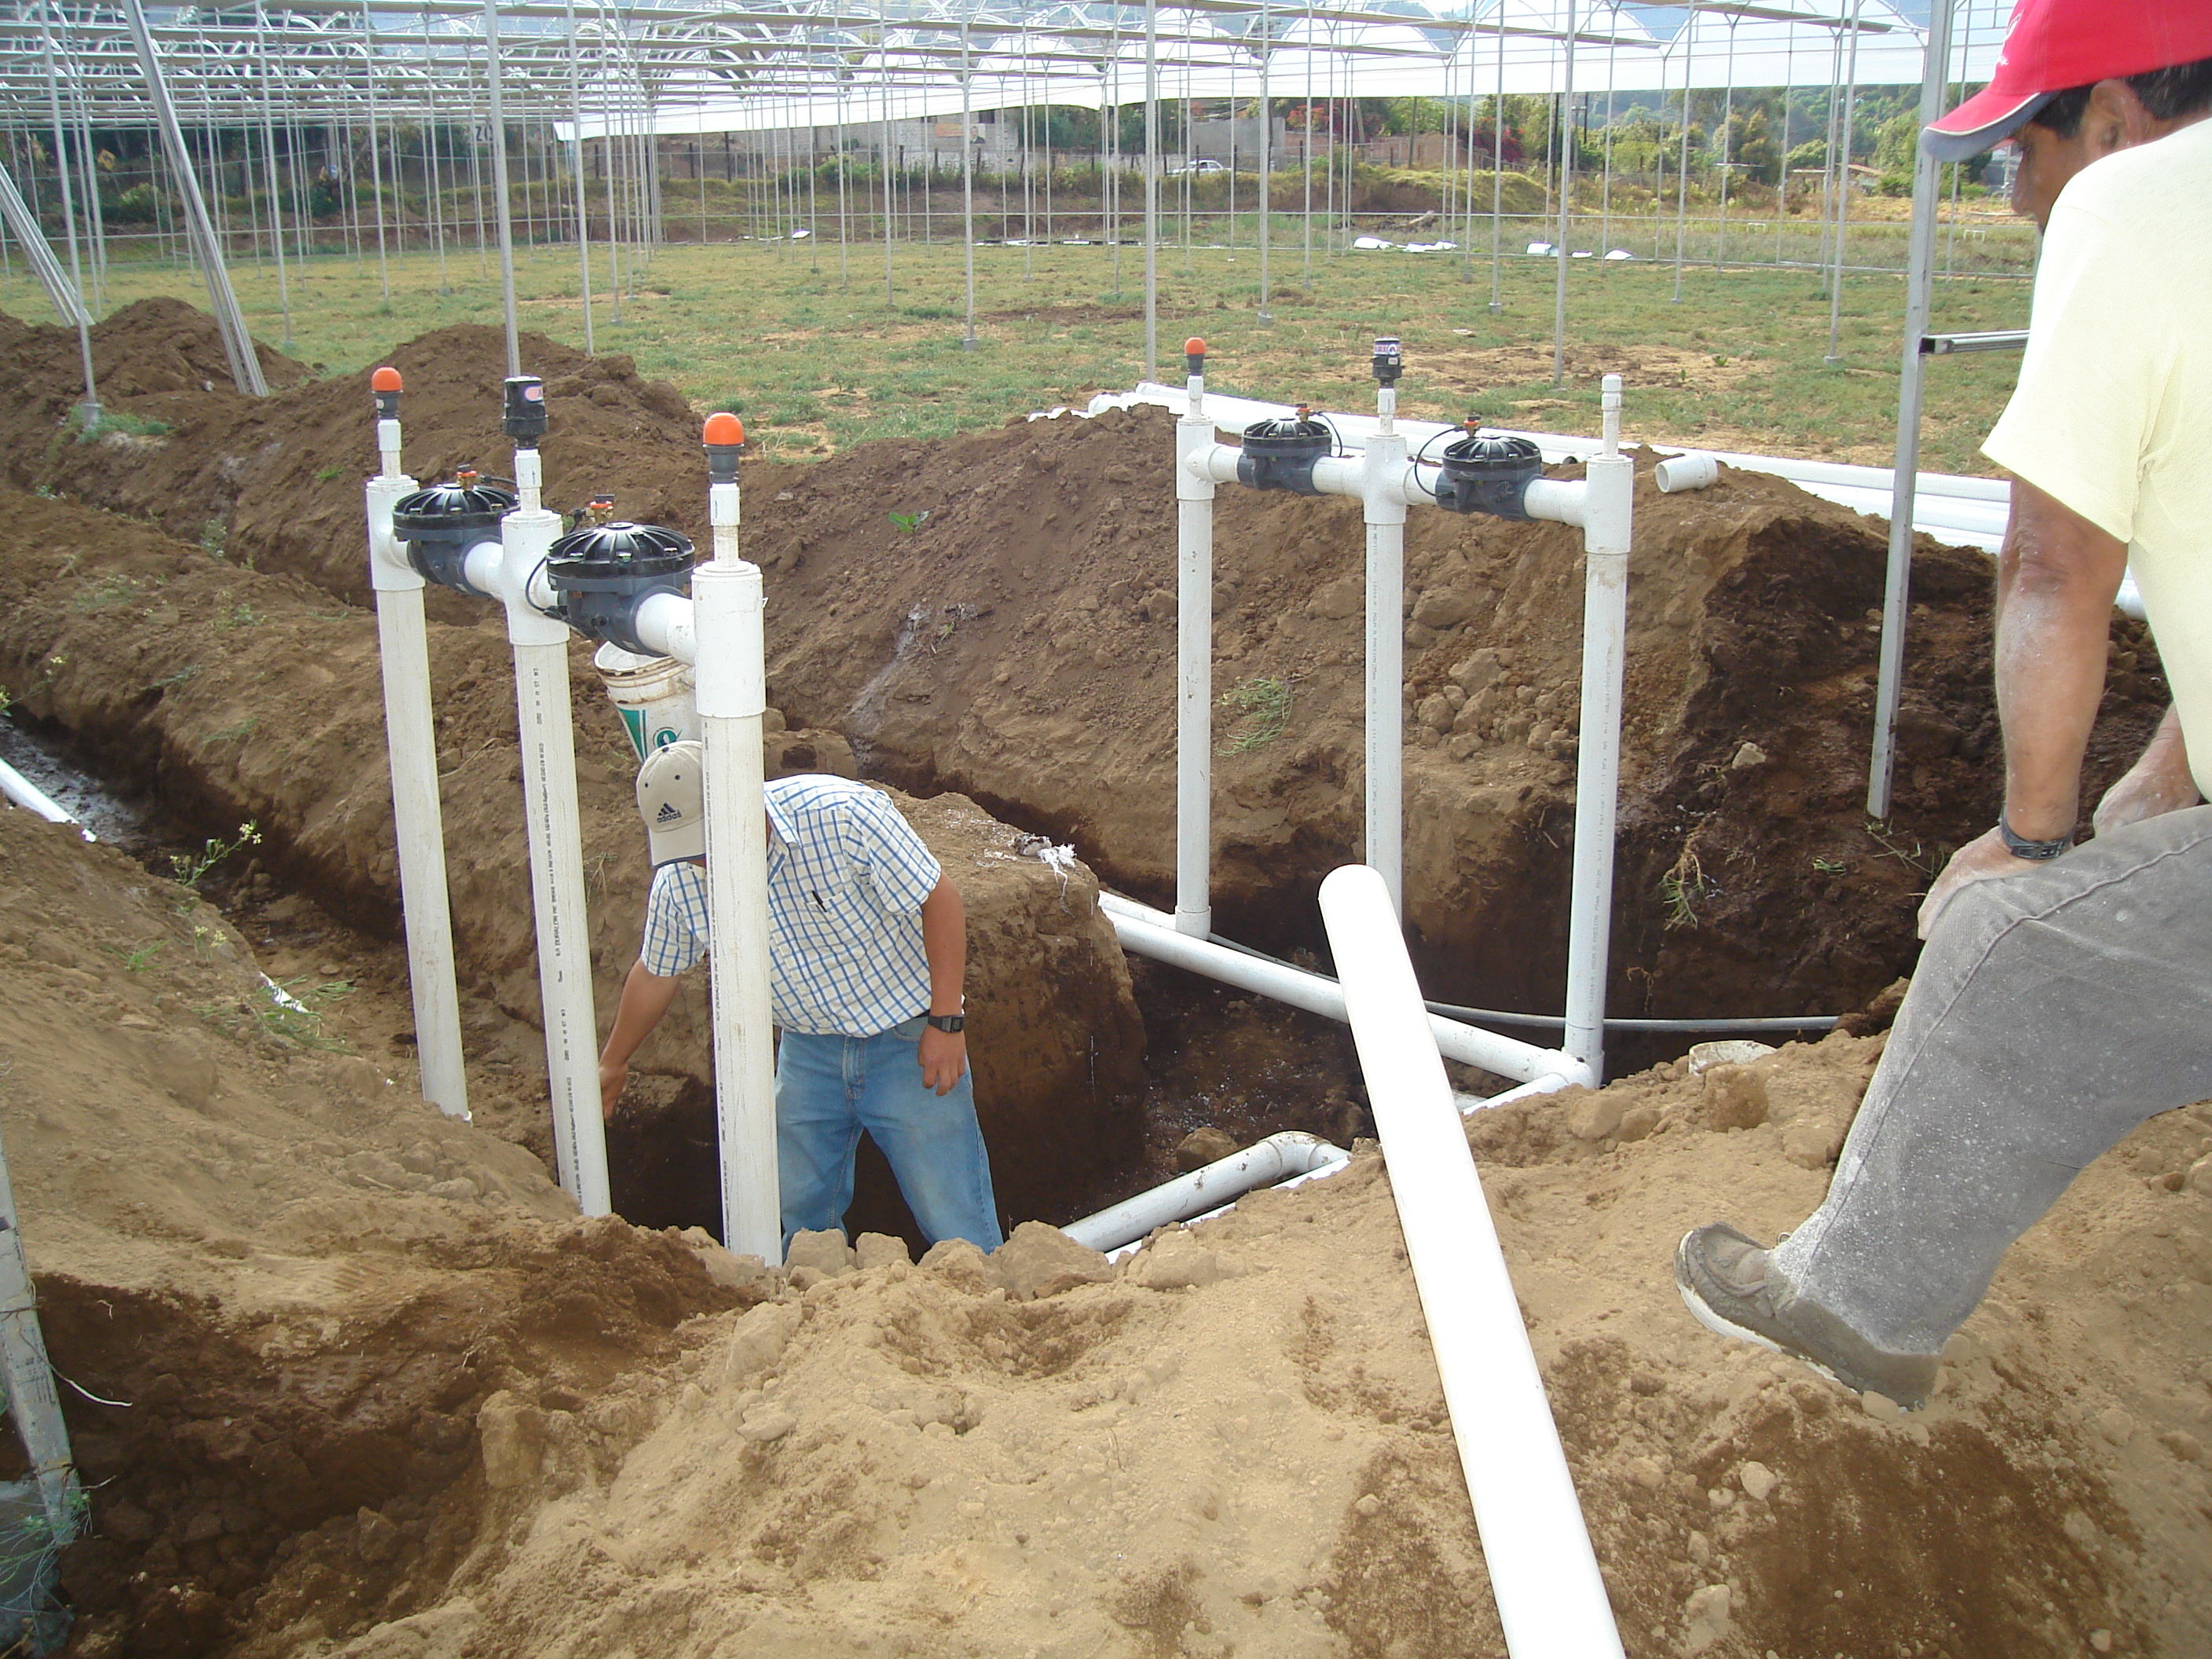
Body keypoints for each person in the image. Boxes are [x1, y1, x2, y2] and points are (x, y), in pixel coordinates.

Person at [1675, 0, 2212, 1409]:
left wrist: (2031, 840)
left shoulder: (2134, 205)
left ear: (2104, 112)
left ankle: (1853, 1308)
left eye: (2014, 153)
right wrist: (2171, 761)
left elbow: (2050, 566)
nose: (2020, 193)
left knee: (1996, 948)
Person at [598, 743, 1004, 1254]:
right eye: (687, 848)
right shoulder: (682, 877)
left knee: (955, 1216)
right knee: (801, 1219)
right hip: (808, 1055)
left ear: (742, 799)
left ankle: (990, 1310)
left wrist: (947, 1021)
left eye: (706, 840)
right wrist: (613, 1063)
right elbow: (656, 972)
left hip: (906, 1042)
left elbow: (937, 899)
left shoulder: (841, 816)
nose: (702, 860)